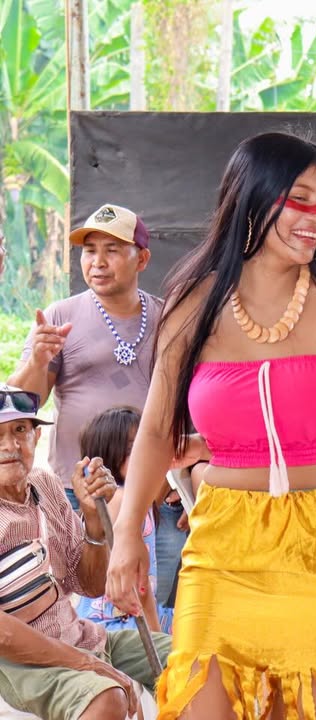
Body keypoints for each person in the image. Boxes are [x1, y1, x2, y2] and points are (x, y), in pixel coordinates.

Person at [104, 131, 316, 719]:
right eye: (300, 198)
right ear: (252, 197)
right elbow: (157, 430)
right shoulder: (195, 300)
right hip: (221, 547)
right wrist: (129, 532)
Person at [0, 385, 170, 720]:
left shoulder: (45, 485)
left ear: (36, 436)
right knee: (107, 699)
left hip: (82, 637)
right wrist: (82, 662)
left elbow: (90, 585)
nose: (10, 445)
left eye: (20, 430)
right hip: (19, 664)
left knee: (193, 661)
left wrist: (93, 518)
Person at [8, 204, 162, 506]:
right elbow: (21, 403)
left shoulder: (169, 316)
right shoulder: (60, 315)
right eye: (89, 251)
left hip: (153, 487)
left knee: (156, 557)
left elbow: (191, 401)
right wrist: (37, 362)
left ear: (142, 259)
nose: (98, 262)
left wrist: (178, 476)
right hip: (76, 489)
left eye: (112, 250)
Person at [76, 406, 172, 634]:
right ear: (109, 452)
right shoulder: (119, 500)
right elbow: (138, 586)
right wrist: (157, 634)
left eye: (144, 444)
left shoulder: (136, 497)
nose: (144, 453)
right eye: (132, 448)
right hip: (117, 624)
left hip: (133, 614)